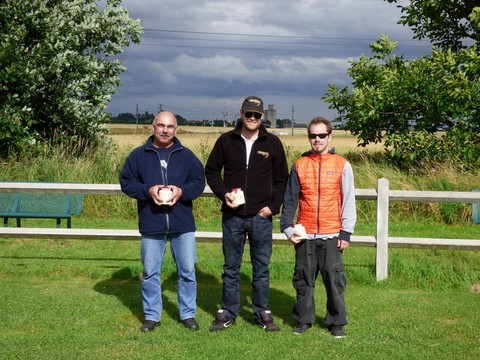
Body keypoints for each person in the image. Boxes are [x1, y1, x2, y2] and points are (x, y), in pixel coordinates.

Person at [205, 95, 288, 332]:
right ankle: (228, 312)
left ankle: (262, 311)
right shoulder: (226, 141)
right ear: (241, 114)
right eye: (248, 114)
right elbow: (211, 172)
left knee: (261, 268)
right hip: (232, 217)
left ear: (262, 117)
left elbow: (282, 179)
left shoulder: (272, 143)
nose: (252, 118)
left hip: (261, 217)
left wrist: (273, 207)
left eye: (257, 115)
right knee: (231, 268)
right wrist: (224, 195)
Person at [119, 111, 205, 333]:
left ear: (176, 129)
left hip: (182, 223)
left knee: (187, 271)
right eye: (161, 125)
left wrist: (181, 191)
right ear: (153, 127)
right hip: (152, 223)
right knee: (150, 272)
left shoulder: (186, 156)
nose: (165, 130)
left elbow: (199, 182)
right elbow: (126, 182)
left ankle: (187, 314)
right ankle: (151, 316)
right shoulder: (138, 156)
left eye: (170, 126)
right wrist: (148, 190)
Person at [279, 116, 356, 338]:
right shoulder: (300, 165)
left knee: (334, 279)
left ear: (329, 136)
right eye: (313, 135)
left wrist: (346, 232)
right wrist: (287, 228)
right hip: (306, 234)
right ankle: (303, 320)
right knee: (303, 279)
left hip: (333, 234)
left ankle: (336, 322)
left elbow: (348, 199)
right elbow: (290, 200)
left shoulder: (342, 164)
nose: (317, 139)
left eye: (322, 135)